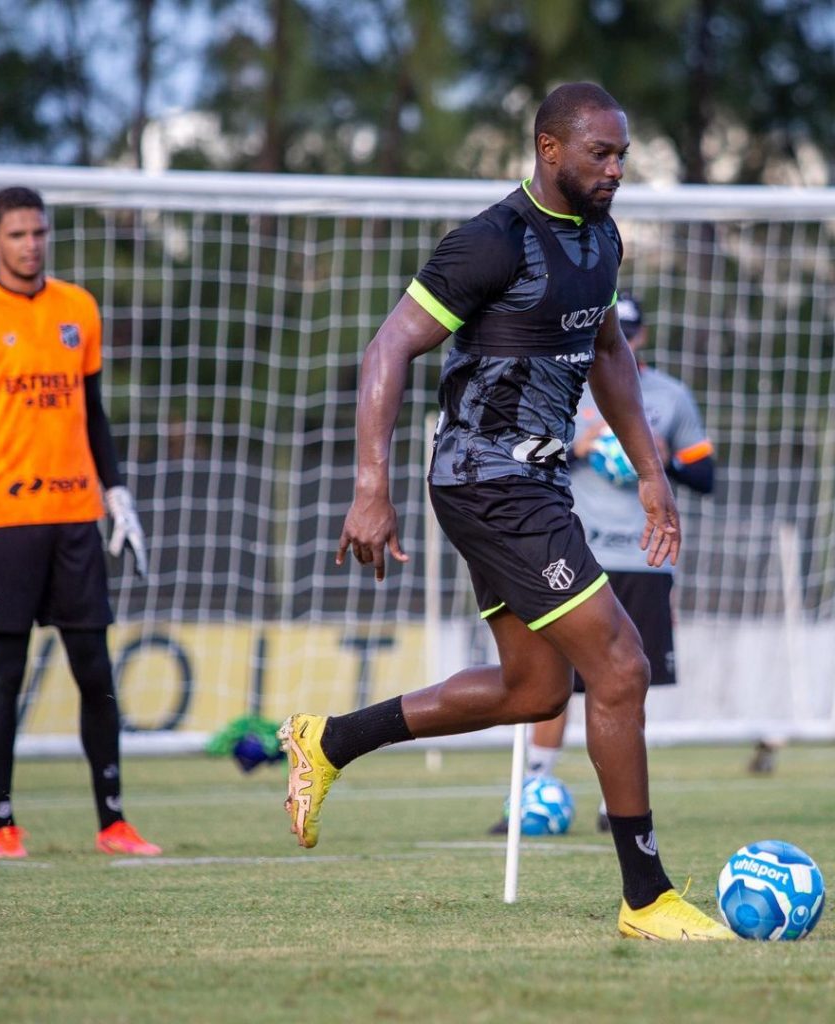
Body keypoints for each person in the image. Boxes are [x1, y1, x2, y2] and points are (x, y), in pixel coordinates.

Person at [280, 83, 732, 940]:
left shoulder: (602, 239)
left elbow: (608, 355)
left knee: (534, 689)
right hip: (489, 482)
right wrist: (369, 487)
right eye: (601, 153)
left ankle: (329, 739)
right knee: (622, 668)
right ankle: (647, 897)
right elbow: (388, 349)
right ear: (548, 149)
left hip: (533, 483)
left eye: (623, 154)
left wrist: (651, 471)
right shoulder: (492, 241)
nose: (616, 169)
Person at [0, 186, 161, 860]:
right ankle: (0, 823)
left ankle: (113, 821)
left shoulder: (78, 309)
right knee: (4, 671)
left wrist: (116, 493)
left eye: (38, 233)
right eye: (16, 235)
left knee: (95, 671)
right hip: (6, 521)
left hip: (76, 518)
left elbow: (92, 413)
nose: (30, 244)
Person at [489, 292, 715, 834]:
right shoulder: (564, 385)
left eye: (631, 332)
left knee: (624, 681)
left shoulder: (670, 396)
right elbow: (520, 454)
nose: (625, 341)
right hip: (575, 550)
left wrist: (662, 458)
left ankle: (615, 804)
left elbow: (705, 475)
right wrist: (581, 446)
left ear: (641, 336)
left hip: (642, 558)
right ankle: (532, 788)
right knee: (555, 678)